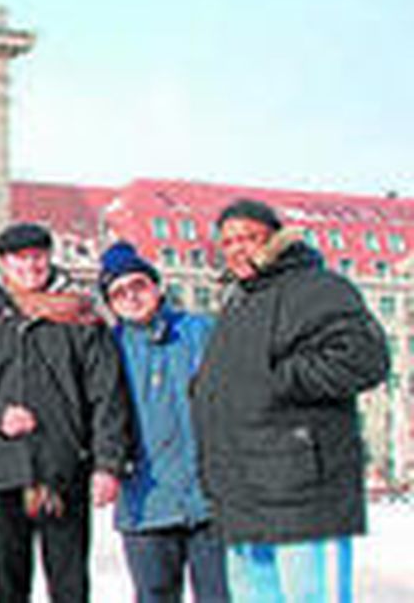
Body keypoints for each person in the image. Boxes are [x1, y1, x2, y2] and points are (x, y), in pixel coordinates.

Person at [192, 199, 387, 602]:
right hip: (243, 496)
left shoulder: (318, 288)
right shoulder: (237, 301)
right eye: (228, 242)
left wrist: (279, 380)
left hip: (304, 494)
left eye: (248, 237)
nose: (237, 248)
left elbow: (364, 359)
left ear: (276, 239)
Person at [0, 223, 131, 603]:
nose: (30, 266)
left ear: (50, 258)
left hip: (62, 467)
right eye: (20, 259)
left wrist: (107, 464)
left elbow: (107, 395)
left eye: (38, 257)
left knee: (69, 586)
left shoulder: (80, 318)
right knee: (9, 586)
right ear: (3, 263)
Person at [97, 242, 227, 603]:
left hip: (211, 500)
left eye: (138, 285)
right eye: (118, 293)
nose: (131, 297)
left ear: (156, 286)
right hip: (146, 502)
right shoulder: (107, 350)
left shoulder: (201, 331)